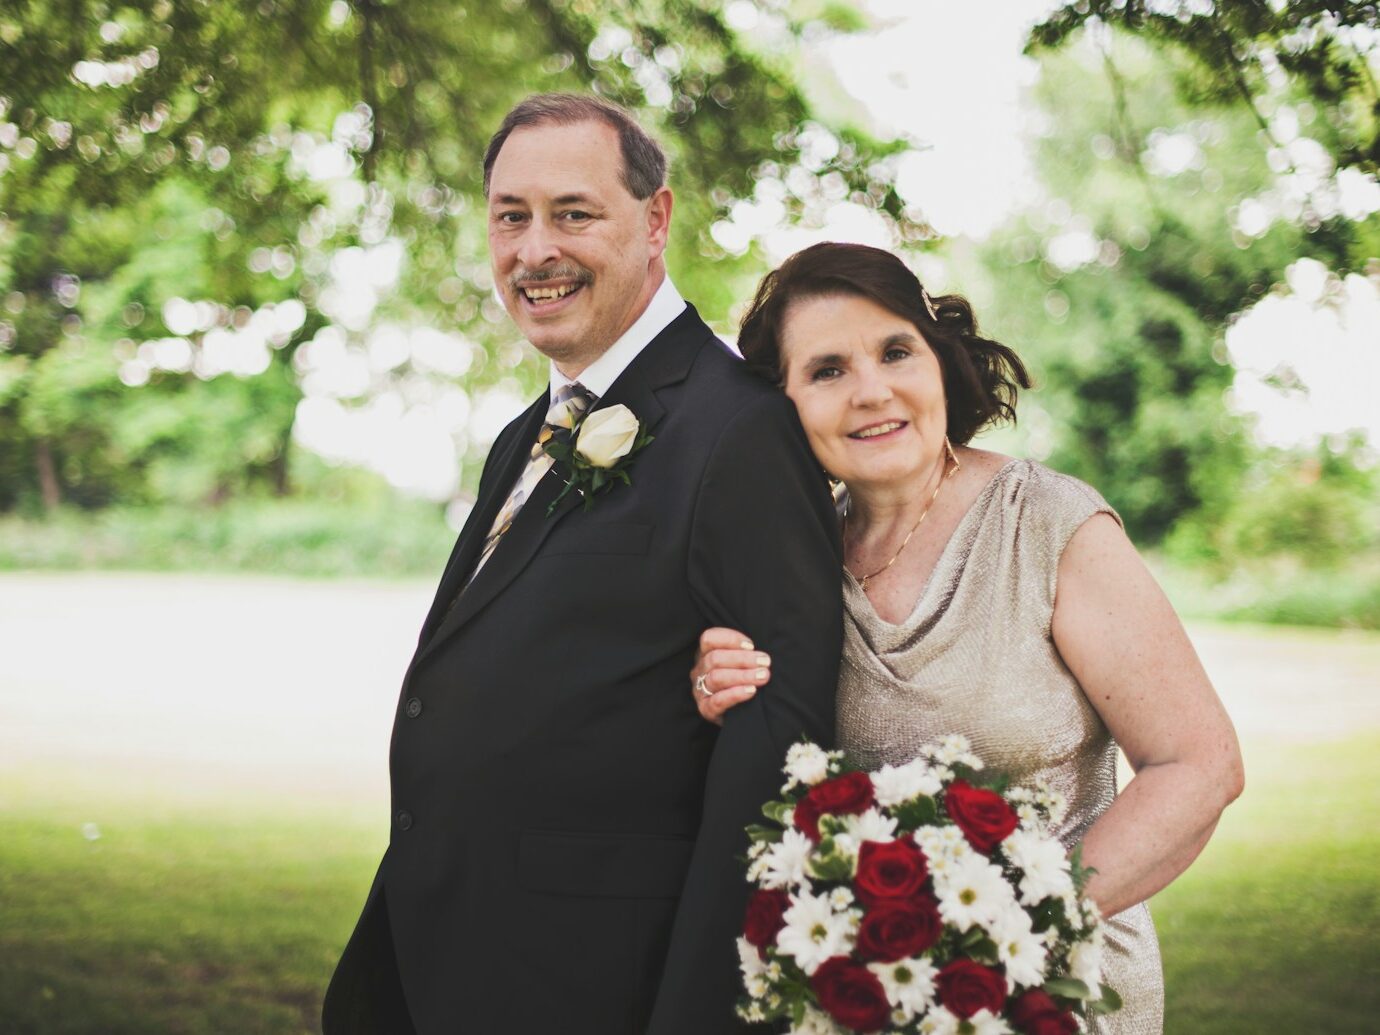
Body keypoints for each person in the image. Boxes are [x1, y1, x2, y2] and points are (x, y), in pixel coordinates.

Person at [320, 94, 842, 1034]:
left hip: (598, 986)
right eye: (510, 216)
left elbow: (780, 749)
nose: (534, 250)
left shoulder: (741, 430)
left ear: (657, 221)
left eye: (573, 213)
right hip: (448, 954)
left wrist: (694, 1014)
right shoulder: (529, 431)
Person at [690, 242, 1245, 1033]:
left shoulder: (1049, 523)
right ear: (782, 406)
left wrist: (1005, 927)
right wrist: (717, 691)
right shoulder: (789, 562)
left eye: (895, 352)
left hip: (1059, 998)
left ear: (940, 362)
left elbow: (1199, 763)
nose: (871, 391)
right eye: (827, 370)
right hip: (866, 1005)